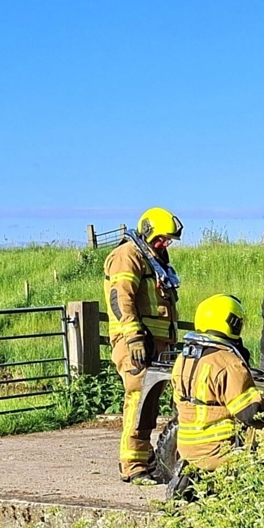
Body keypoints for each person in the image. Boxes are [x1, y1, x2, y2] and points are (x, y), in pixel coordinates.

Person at [102, 207, 182, 482]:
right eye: (162, 238)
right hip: (137, 342)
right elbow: (120, 298)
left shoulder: (152, 258)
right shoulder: (128, 256)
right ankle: (133, 467)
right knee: (138, 399)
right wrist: (133, 335)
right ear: (147, 231)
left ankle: (146, 460)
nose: (165, 244)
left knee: (150, 403)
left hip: (157, 342)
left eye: (169, 240)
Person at [171, 294, 264, 474]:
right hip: (219, 450)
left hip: (184, 447)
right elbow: (251, 413)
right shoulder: (229, 363)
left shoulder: (183, 358)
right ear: (232, 323)